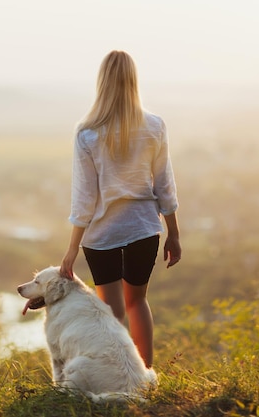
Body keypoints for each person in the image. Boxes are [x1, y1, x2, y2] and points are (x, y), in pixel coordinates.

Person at [60, 50, 181, 369]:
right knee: (138, 302)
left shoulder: (87, 132)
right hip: (143, 228)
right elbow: (164, 185)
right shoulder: (154, 126)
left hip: (101, 234)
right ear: (133, 82)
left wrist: (72, 248)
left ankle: (117, 377)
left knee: (111, 312)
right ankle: (146, 379)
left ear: (102, 83)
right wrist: (174, 233)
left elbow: (84, 198)